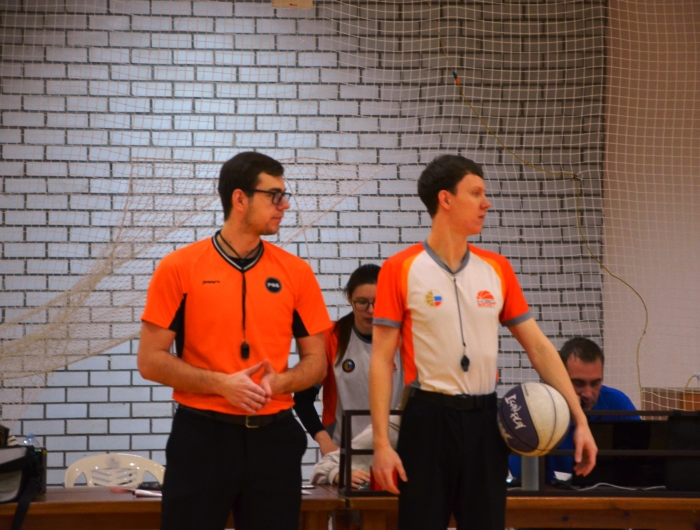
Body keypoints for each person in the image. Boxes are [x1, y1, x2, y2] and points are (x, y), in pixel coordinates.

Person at [369, 154, 597, 530]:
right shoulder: (400, 268)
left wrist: (580, 419)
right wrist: (381, 443)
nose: (486, 203)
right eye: (475, 193)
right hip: (427, 421)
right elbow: (381, 360)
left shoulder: (497, 268)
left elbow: (539, 347)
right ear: (445, 199)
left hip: (487, 421)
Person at [137, 152, 332, 530]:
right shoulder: (179, 267)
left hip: (274, 439)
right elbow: (150, 360)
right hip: (202, 438)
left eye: (284, 195)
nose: (285, 205)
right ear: (240, 199)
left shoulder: (297, 272)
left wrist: (280, 382)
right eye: (274, 196)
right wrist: (222, 384)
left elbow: (317, 362)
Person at [294, 264, 404, 488]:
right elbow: (302, 399)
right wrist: (324, 441)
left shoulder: (405, 339)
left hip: (396, 451)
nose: (371, 310)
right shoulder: (331, 337)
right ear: (349, 299)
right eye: (362, 302)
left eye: (378, 302)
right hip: (344, 452)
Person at [509, 336, 639, 482]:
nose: (588, 393)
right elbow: (519, 473)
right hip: (551, 495)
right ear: (560, 379)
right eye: (578, 383)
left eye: (595, 383)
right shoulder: (539, 408)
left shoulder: (617, 403)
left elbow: (641, 463)